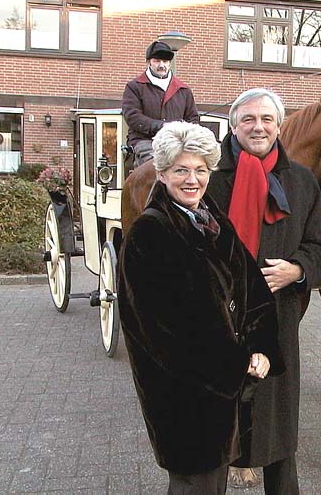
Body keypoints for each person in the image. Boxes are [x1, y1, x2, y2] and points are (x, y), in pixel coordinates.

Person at [117, 121, 284, 494]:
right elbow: (164, 333)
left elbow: (252, 286)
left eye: (200, 170)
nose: (192, 180)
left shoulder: (212, 220)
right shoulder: (150, 233)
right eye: (180, 170)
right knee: (196, 484)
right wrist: (236, 364)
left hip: (222, 392)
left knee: (213, 481)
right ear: (161, 174)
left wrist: (261, 346)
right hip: (183, 397)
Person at [207, 88, 321, 493]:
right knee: (216, 429)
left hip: (277, 321)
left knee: (278, 431)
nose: (257, 126)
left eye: (266, 119)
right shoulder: (208, 178)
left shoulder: (301, 181)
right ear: (233, 125)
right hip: (219, 321)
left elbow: (320, 244)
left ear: (279, 126)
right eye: (248, 119)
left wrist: (297, 269)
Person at [122, 40, 200, 168]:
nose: (161, 65)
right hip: (145, 142)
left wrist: (182, 132)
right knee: (158, 165)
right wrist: (162, 126)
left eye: (165, 61)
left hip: (177, 142)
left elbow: (193, 119)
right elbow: (132, 117)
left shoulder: (184, 90)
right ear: (148, 62)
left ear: (170, 63)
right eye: (157, 61)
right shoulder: (134, 87)